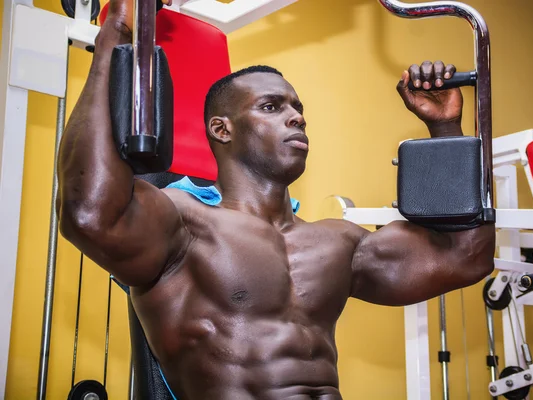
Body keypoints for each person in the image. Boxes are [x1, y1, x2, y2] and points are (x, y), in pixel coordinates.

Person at [56, 0, 496, 398]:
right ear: (221, 129)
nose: (296, 116)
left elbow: (466, 258)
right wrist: (116, 28)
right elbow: (89, 213)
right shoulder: (185, 224)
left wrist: (444, 128)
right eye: (271, 107)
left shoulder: (339, 243)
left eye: (297, 107)